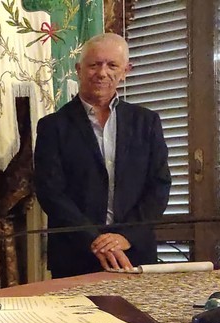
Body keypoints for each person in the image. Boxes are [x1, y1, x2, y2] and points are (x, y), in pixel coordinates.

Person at [34, 33, 171, 278]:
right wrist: (95, 241)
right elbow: (51, 193)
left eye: (112, 65)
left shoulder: (146, 122)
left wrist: (125, 237)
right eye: (94, 65)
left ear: (126, 71)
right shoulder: (52, 126)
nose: (102, 73)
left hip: (134, 252)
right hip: (75, 255)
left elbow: (159, 186)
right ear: (79, 69)